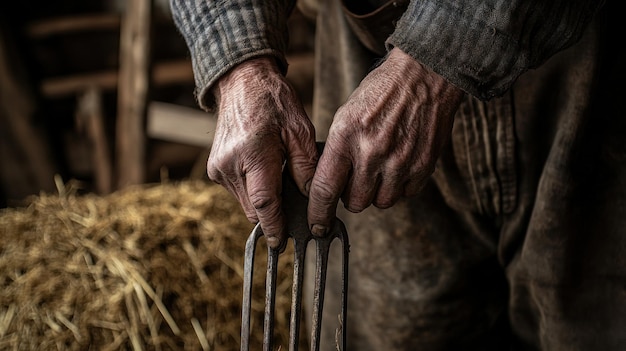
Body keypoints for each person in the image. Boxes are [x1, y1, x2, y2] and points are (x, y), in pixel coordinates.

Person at [171, 0, 626, 349]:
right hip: (362, 53)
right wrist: (239, 63)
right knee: (377, 333)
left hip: (585, 61)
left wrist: (434, 59)